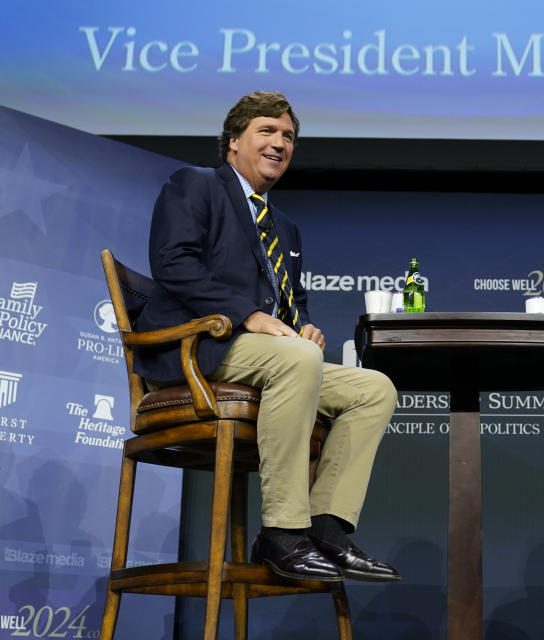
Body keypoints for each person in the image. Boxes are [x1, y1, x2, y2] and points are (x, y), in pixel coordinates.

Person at [133, 91, 400, 583]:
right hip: (197, 350)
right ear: (233, 141)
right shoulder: (194, 185)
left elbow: (291, 301)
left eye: (289, 136)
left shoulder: (286, 227)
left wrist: (301, 325)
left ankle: (327, 529)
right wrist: (247, 315)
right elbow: (172, 263)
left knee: (373, 389)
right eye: (267, 131)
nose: (280, 142)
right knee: (296, 360)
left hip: (267, 356)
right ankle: (280, 532)